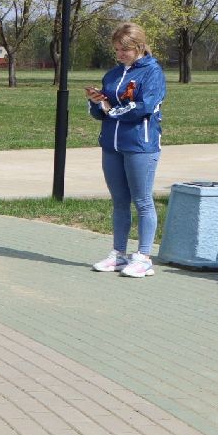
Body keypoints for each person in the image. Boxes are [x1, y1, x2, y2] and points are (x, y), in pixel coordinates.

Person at [85, 22, 165, 279]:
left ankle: (143, 257)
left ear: (139, 47)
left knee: (142, 200)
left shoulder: (152, 72)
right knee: (120, 202)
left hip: (140, 145)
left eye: (125, 50)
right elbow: (102, 113)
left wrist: (111, 109)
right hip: (112, 145)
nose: (120, 54)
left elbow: (145, 106)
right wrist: (97, 102)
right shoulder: (112, 74)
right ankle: (119, 254)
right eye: (117, 49)